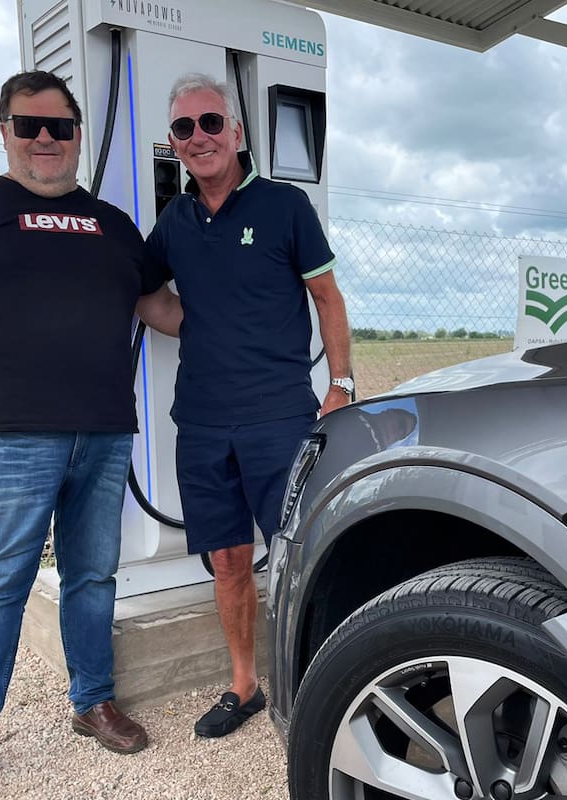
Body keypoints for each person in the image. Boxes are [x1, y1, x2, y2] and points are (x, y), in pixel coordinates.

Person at [0, 70, 183, 800]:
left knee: (92, 577)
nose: (45, 140)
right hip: (13, 440)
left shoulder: (113, 225)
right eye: (29, 126)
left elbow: (159, 307)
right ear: (5, 131)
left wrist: (246, 307)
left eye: (60, 127)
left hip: (107, 437)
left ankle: (93, 702)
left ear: (79, 135)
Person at [145, 73, 352, 738]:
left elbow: (328, 299)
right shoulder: (174, 221)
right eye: (185, 128)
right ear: (174, 144)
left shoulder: (284, 206)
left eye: (211, 123)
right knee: (229, 560)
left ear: (235, 132)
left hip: (280, 420)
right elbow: (145, 296)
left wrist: (341, 385)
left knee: (301, 555)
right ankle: (245, 684)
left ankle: (322, 685)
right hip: (203, 425)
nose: (200, 137)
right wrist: (194, 321)